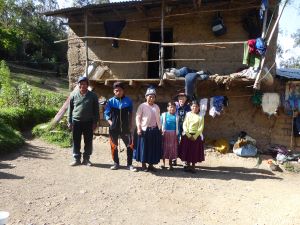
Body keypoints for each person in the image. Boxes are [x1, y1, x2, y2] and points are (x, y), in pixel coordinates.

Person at [104, 82, 137, 172]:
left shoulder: (128, 101)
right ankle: (116, 163)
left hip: (125, 128)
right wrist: (111, 123)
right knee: (114, 146)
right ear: (114, 91)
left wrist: (131, 124)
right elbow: (106, 114)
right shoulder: (110, 101)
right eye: (116, 90)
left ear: (123, 91)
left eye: (120, 90)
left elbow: (131, 114)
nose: (118, 92)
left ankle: (129, 164)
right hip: (114, 128)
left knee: (130, 145)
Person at [68, 76, 99, 166]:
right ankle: (76, 159)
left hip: (88, 122)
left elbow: (96, 111)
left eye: (85, 84)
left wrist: (95, 122)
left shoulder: (93, 96)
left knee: (88, 141)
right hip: (76, 121)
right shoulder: (73, 95)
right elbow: (70, 109)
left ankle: (86, 159)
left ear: (87, 85)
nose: (83, 85)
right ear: (78, 85)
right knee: (76, 140)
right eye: (81, 84)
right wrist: (69, 121)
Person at [134, 87, 162, 172]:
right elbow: (138, 117)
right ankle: (143, 165)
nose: (151, 98)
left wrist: (160, 128)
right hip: (144, 130)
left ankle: (151, 165)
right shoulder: (142, 106)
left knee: (153, 148)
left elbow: (158, 118)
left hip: (154, 130)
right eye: (149, 96)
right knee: (144, 147)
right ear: (146, 97)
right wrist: (139, 128)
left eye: (153, 97)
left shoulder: (156, 107)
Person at [178, 100, 205, 173]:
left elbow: (201, 127)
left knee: (194, 151)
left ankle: (193, 166)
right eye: (193, 106)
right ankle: (187, 165)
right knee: (187, 150)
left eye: (196, 106)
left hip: (196, 136)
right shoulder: (188, 114)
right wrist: (188, 135)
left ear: (198, 107)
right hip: (187, 135)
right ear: (190, 107)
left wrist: (195, 136)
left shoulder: (201, 116)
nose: (194, 108)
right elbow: (184, 124)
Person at [173, 91, 190, 166]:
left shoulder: (188, 108)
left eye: (183, 99)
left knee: (185, 143)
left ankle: (185, 159)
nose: (181, 101)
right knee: (175, 142)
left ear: (186, 100)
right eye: (180, 99)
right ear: (178, 100)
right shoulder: (175, 107)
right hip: (176, 127)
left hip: (186, 128)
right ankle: (174, 159)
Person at [161, 101, 179, 170]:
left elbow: (178, 127)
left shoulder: (176, 116)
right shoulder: (164, 115)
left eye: (174, 107)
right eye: (171, 107)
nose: (172, 109)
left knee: (171, 149)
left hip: (173, 134)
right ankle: (163, 163)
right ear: (167, 108)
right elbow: (160, 124)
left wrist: (178, 134)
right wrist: (161, 132)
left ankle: (170, 164)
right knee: (164, 148)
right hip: (165, 133)